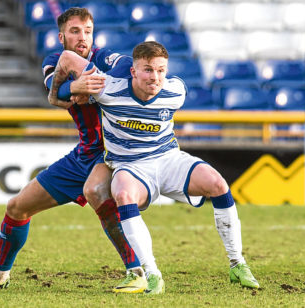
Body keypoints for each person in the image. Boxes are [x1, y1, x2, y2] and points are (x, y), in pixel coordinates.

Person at [0, 7, 146, 293]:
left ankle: (138, 273)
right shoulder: (54, 61)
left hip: (111, 154)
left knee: (96, 192)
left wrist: (86, 82)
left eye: (88, 31)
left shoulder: (104, 57)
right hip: (82, 155)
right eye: (75, 31)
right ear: (61, 36)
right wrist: (73, 87)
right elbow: (54, 89)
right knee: (16, 208)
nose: (83, 37)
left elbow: (127, 66)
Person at [49, 41, 260, 293]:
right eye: (148, 70)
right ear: (133, 71)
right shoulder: (107, 88)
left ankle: (238, 264)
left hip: (169, 159)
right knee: (123, 194)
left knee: (218, 184)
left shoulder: (176, 91)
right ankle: (152, 273)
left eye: (161, 70)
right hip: (130, 166)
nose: (155, 77)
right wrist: (64, 90)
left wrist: (65, 91)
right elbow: (67, 57)